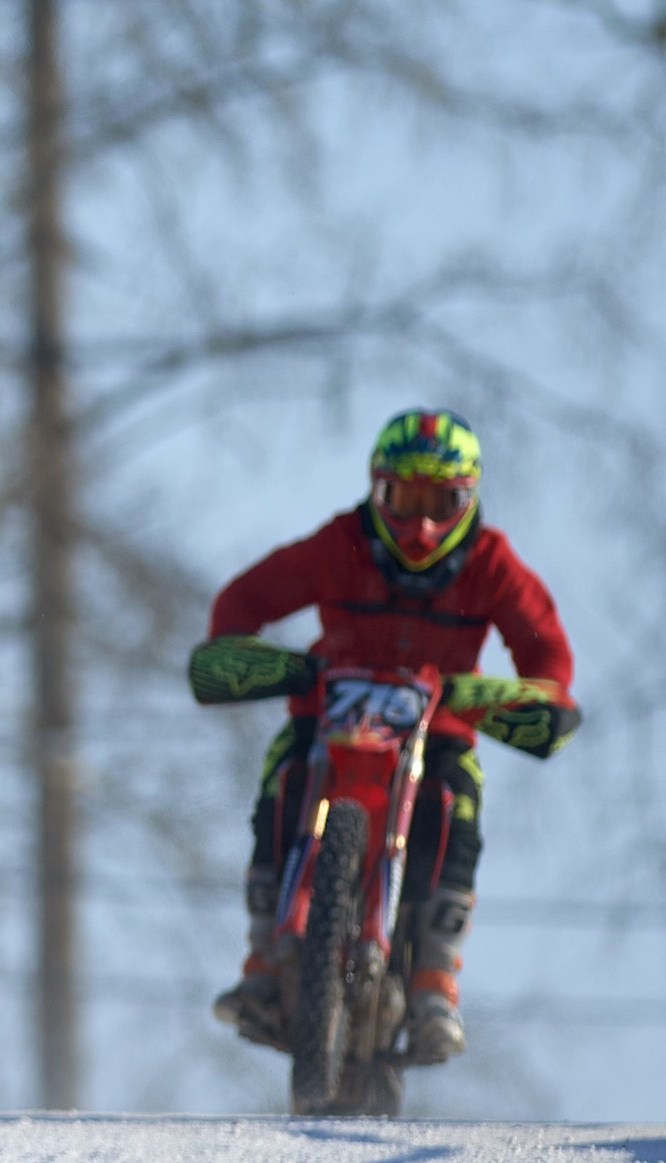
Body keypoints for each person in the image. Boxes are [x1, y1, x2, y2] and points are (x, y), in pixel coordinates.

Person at [187, 408, 580, 1065]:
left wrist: (522, 696)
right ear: (377, 490)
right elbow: (242, 599)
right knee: (282, 768)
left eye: (440, 501)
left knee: (460, 798)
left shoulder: (491, 562)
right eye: (404, 498)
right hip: (329, 709)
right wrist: (247, 655)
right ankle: (262, 951)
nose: (421, 523)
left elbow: (550, 658)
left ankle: (435, 976)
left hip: (438, 726)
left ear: (468, 499)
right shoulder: (340, 543)